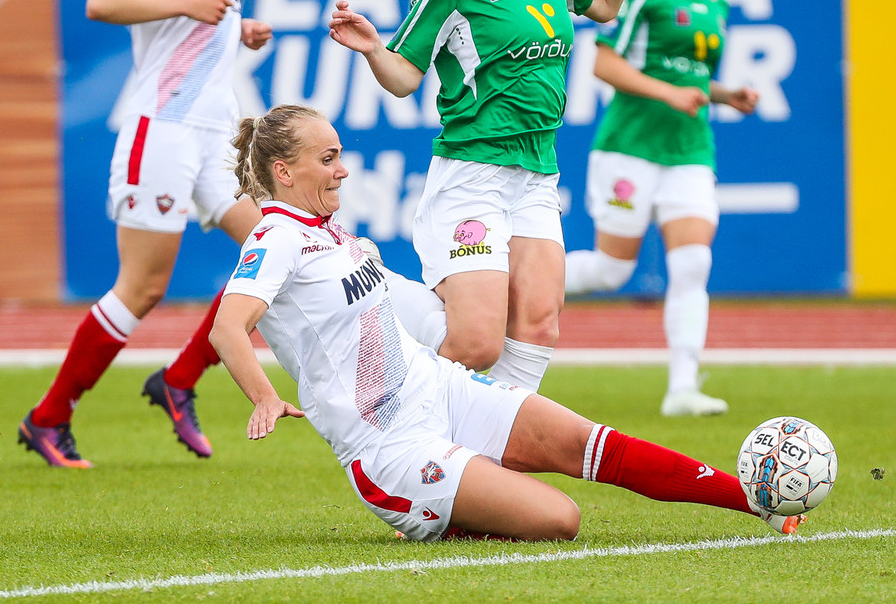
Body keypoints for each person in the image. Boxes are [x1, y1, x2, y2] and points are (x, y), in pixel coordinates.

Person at [209, 103, 804, 542]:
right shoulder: (276, 238)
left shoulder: (332, 232)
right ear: (284, 171)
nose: (343, 169)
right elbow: (227, 328)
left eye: (340, 154)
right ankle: (437, 508)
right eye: (328, 158)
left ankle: (756, 501)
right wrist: (264, 396)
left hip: (439, 388)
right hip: (390, 446)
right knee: (560, 519)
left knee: (591, 443)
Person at [328, 0, 631, 392]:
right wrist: (373, 49)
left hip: (537, 172)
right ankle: (376, 319)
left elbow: (608, 3)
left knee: (538, 324)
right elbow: (404, 78)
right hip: (473, 173)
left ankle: (491, 443)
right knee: (477, 344)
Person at [18, 0, 273, 468]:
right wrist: (187, 6)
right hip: (162, 129)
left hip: (214, 132)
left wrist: (237, 28)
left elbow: (200, 16)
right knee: (143, 287)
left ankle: (180, 378)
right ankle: (48, 418)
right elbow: (103, 0)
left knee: (275, 252)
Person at [564, 0, 760, 417]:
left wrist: (726, 95)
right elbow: (605, 63)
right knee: (610, 271)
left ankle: (683, 388)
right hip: (630, 146)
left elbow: (689, 76)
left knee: (694, 261)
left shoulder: (715, 1)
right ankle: (510, 284)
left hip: (690, 149)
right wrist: (671, 94)